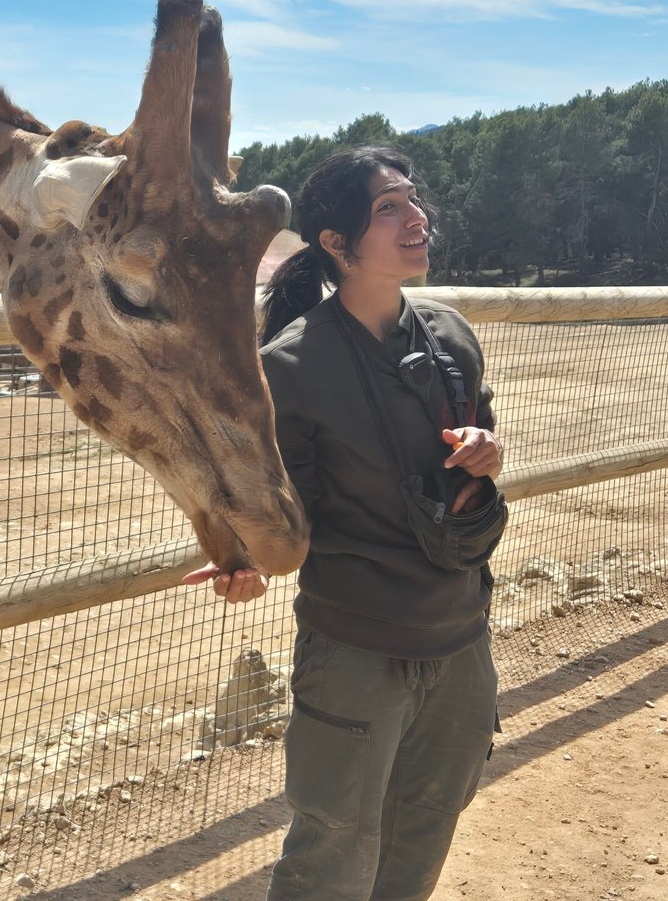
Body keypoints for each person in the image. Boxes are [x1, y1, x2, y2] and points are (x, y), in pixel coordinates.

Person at [184, 146, 507, 901]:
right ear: (336, 244)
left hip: (462, 642)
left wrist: (487, 453)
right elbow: (282, 516)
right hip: (357, 651)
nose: (416, 217)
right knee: (332, 851)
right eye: (389, 207)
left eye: (413, 200)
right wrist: (247, 563)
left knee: (426, 827)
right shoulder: (289, 370)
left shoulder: (451, 337)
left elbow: (477, 450)